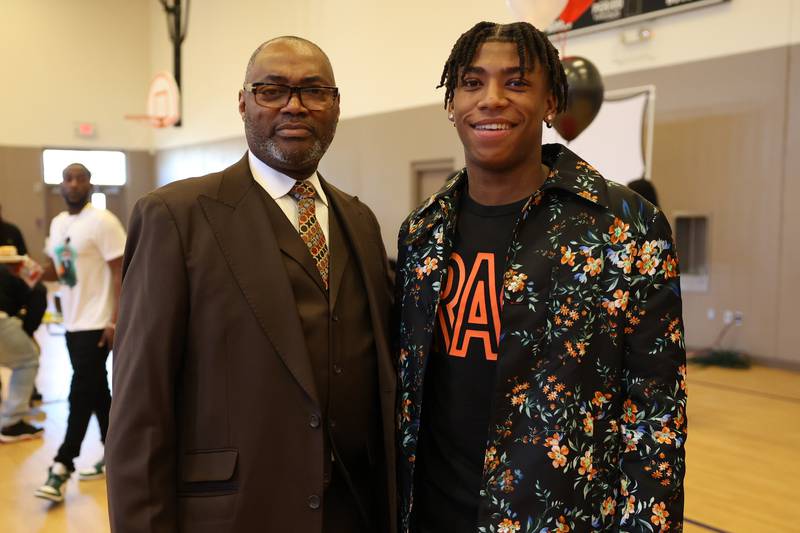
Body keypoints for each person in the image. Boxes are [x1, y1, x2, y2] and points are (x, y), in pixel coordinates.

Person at [394, 21, 687, 532]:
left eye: (516, 82)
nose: (491, 99)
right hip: (431, 515)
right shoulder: (423, 232)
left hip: (557, 519)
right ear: (451, 103)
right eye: (471, 82)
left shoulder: (625, 227)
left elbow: (657, 419)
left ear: (551, 101)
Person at [107, 36, 396, 533]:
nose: (294, 105)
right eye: (271, 90)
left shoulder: (360, 220)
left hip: (355, 509)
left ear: (336, 106)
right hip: (237, 511)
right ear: (243, 102)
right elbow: (140, 407)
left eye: (314, 91)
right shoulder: (176, 218)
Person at [34, 163, 126, 503]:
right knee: (96, 390)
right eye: (68, 179)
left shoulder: (103, 222)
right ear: (61, 186)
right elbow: (59, 271)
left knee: (80, 389)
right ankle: (116, 453)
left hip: (97, 320)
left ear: (90, 185)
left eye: (81, 179)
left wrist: (116, 320)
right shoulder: (59, 224)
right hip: (71, 321)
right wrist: (25, 272)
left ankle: (63, 463)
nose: (74, 184)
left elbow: (121, 272)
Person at [0, 251, 44, 442]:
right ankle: (12, 422)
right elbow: (39, 293)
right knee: (28, 360)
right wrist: (27, 330)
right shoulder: (19, 273)